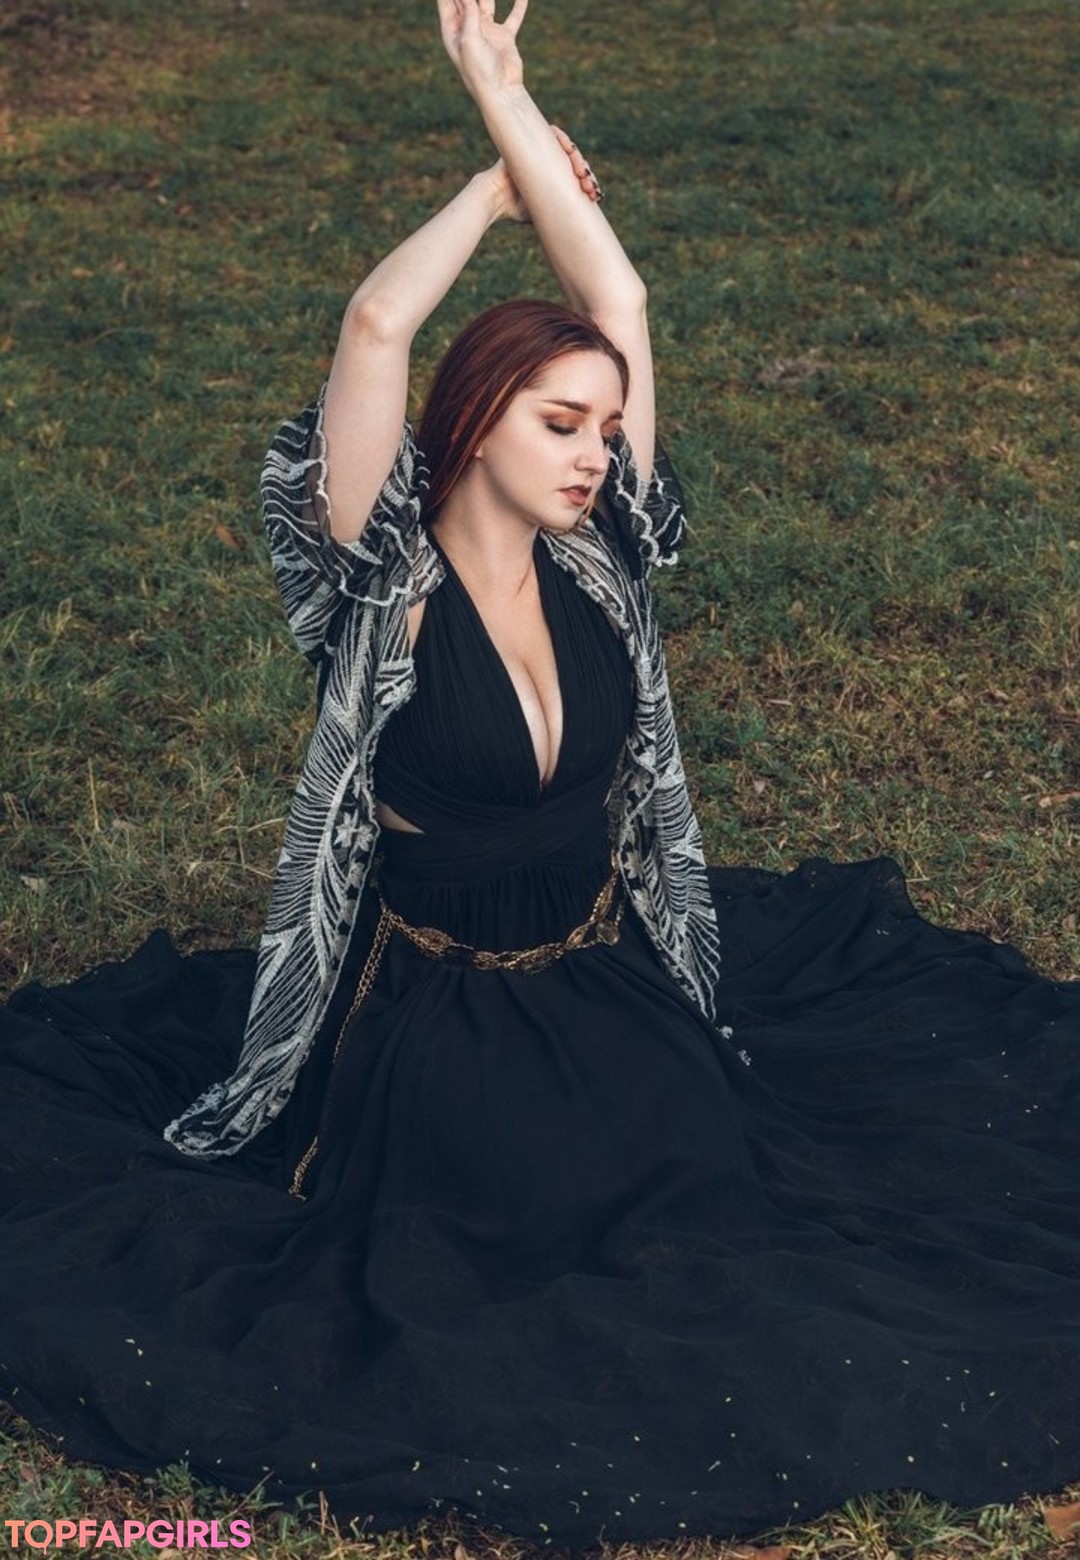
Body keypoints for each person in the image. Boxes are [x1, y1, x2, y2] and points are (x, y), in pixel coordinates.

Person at [1, 2, 1078, 1553]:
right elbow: (376, 328)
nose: (593, 453)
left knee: (700, 1186)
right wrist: (491, 179)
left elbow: (617, 295)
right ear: (474, 421)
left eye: (605, 427)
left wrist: (516, 103)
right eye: (561, 423)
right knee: (510, 1231)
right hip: (431, 1002)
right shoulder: (377, 583)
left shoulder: (604, 552)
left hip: (599, 964)